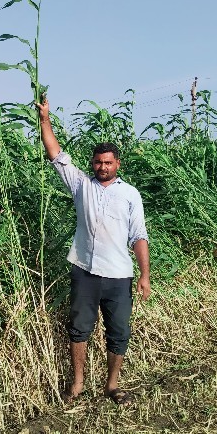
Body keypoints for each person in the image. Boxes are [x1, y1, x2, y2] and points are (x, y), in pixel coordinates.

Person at [36, 96, 150, 408]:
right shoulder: (81, 185)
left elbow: (139, 235)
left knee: (118, 333)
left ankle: (111, 385)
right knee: (80, 329)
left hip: (118, 276)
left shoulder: (130, 195)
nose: (102, 167)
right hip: (85, 271)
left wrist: (144, 275)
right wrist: (45, 118)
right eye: (98, 162)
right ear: (93, 164)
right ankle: (77, 384)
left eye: (108, 162)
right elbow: (55, 152)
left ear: (117, 164)